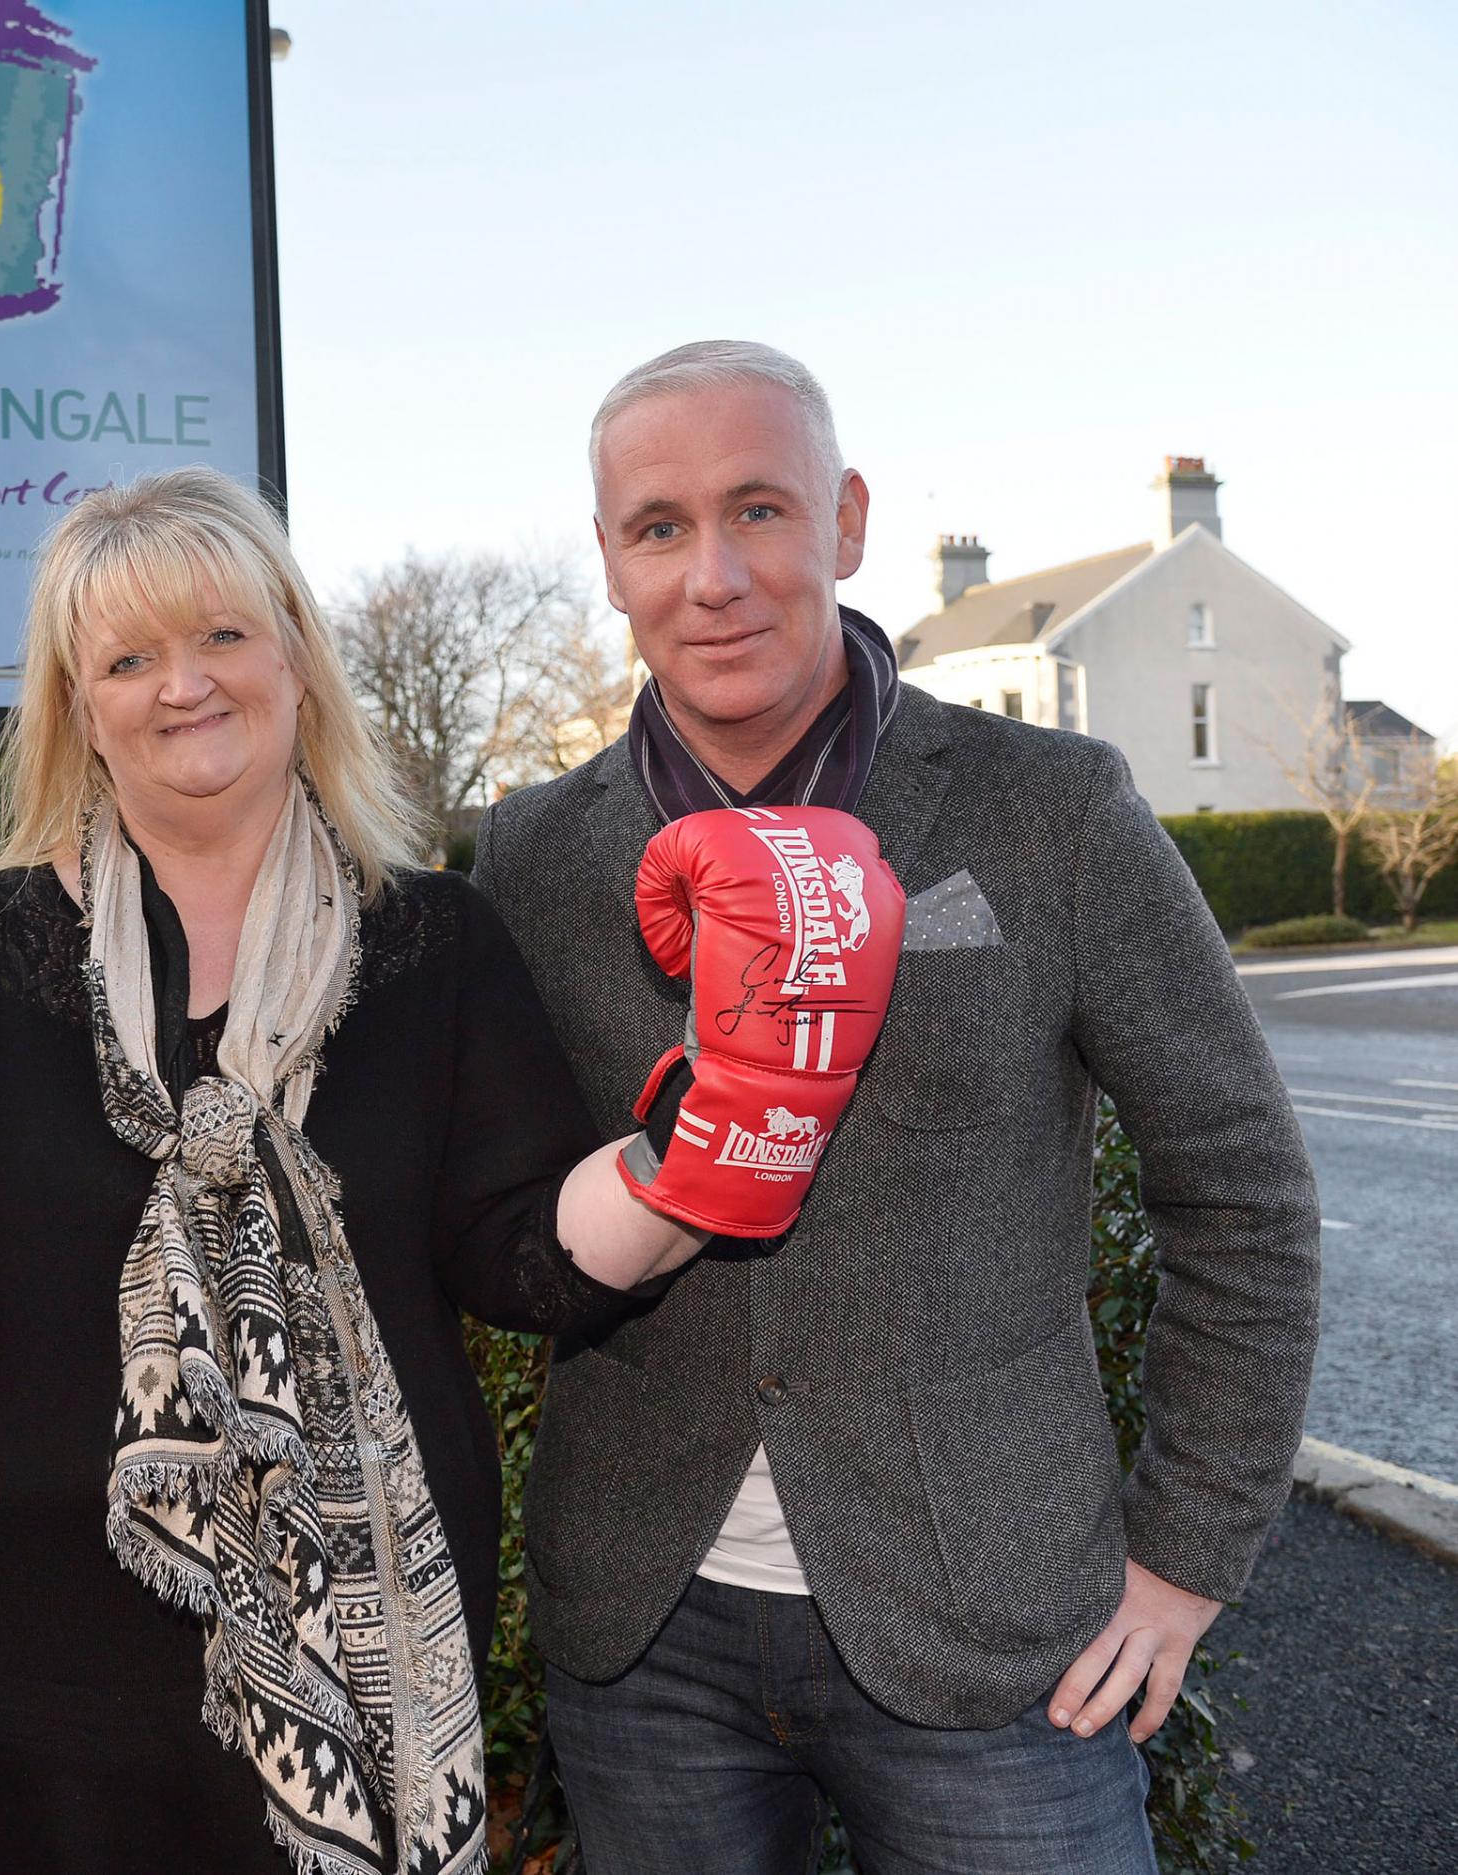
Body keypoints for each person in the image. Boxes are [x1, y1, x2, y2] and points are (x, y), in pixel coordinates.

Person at [0, 466, 727, 1875]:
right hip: (14, 1665)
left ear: (292, 653)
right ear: (78, 707)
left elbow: (524, 1252)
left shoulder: (431, 943)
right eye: (129, 658)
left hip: (358, 1657)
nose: (185, 685)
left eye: (220, 636)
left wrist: (698, 1144)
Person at [468, 340, 1323, 1873]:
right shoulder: (533, 858)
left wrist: (1188, 1558)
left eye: (760, 511)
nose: (714, 575)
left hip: (996, 1640)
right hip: (642, 1636)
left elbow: (1240, 1186)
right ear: (609, 562)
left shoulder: (1050, 809)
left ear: (847, 522)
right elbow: (490, 1227)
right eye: (659, 528)